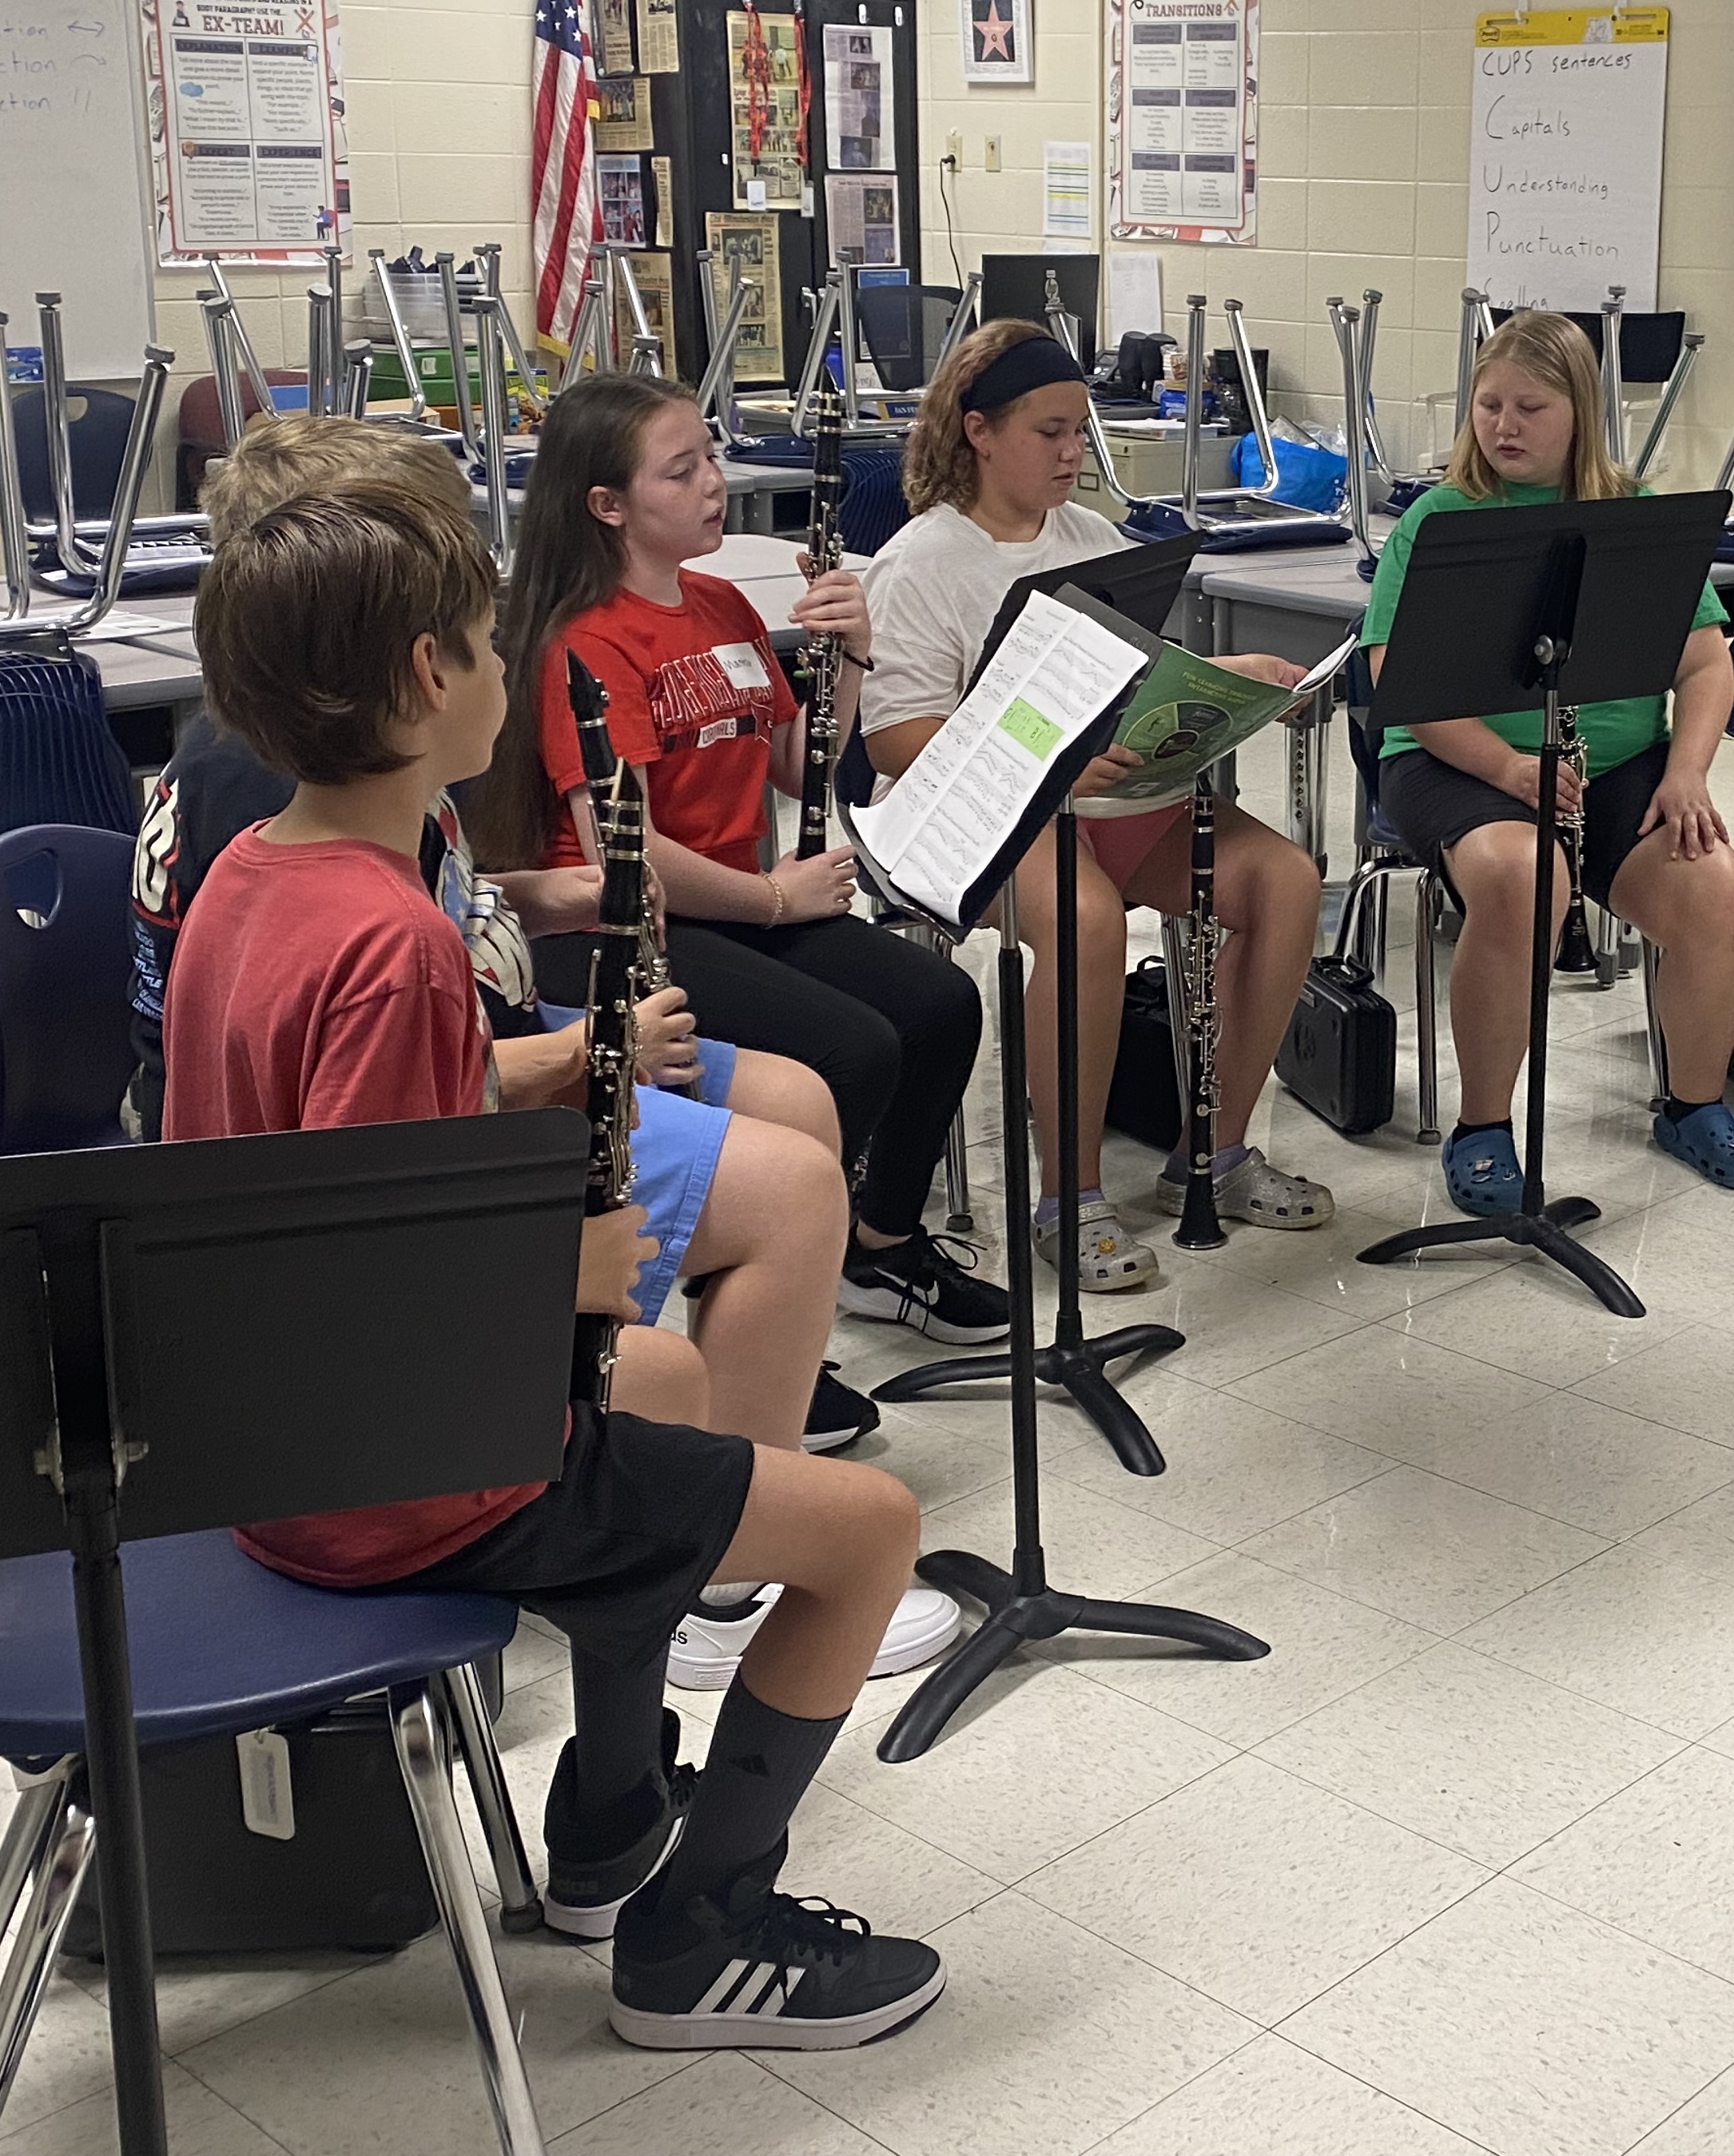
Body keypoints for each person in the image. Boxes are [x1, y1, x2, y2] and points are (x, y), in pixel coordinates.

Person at [168, 473, 945, 2049]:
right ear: (425, 676)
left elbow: (305, 1205)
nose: (503, 661)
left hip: (276, 1442)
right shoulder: (396, 942)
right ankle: (701, 1935)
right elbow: (392, 1288)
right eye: (481, 636)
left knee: (659, 1381)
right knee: (868, 1530)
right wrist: (572, 1271)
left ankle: (608, 1813)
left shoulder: (250, 874)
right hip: (398, 1473)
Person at [467, 375, 1009, 1350]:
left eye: (710, 459)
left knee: (940, 1003)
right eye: (681, 472)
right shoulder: (584, 643)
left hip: (738, 903)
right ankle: (759, 1307)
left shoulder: (721, 604)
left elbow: (803, 765)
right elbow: (625, 848)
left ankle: (879, 1250)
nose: (714, 483)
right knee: (853, 1049)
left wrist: (851, 651)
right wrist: (774, 899)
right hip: (622, 923)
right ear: (608, 506)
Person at [858, 320, 1334, 1292]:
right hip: (979, 813)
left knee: (1285, 881)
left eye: (1081, 430)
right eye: (1051, 432)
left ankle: (1215, 1154)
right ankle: (1068, 1199)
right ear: (979, 432)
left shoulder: (1091, 537)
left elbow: (1142, 674)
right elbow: (896, 742)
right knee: (1087, 923)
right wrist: (1046, 763)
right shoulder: (921, 562)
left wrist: (1231, 678)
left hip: (1106, 800)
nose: (1075, 451)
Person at [1366, 308, 1734, 1213]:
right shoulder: (1437, 520)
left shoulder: (1633, 518)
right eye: (1489, 406)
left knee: (1715, 889)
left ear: (1580, 413)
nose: (1503, 426)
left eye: (1531, 408)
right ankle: (1482, 1129)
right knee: (1527, 878)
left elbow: (1706, 663)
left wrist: (1687, 773)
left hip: (1612, 764)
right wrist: (1507, 770)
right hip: (1456, 760)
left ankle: (1693, 1108)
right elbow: (1406, 687)